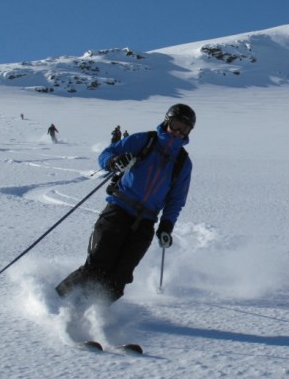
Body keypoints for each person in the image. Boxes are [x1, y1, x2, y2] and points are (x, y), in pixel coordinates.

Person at [55, 104, 195, 305]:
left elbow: (176, 200)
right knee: (96, 267)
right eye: (176, 125)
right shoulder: (144, 140)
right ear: (167, 122)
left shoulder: (183, 162)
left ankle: (93, 314)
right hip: (119, 210)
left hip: (145, 223)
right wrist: (114, 161)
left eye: (185, 128)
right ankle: (55, 301)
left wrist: (166, 226)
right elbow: (106, 154)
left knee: (119, 279)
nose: (179, 132)